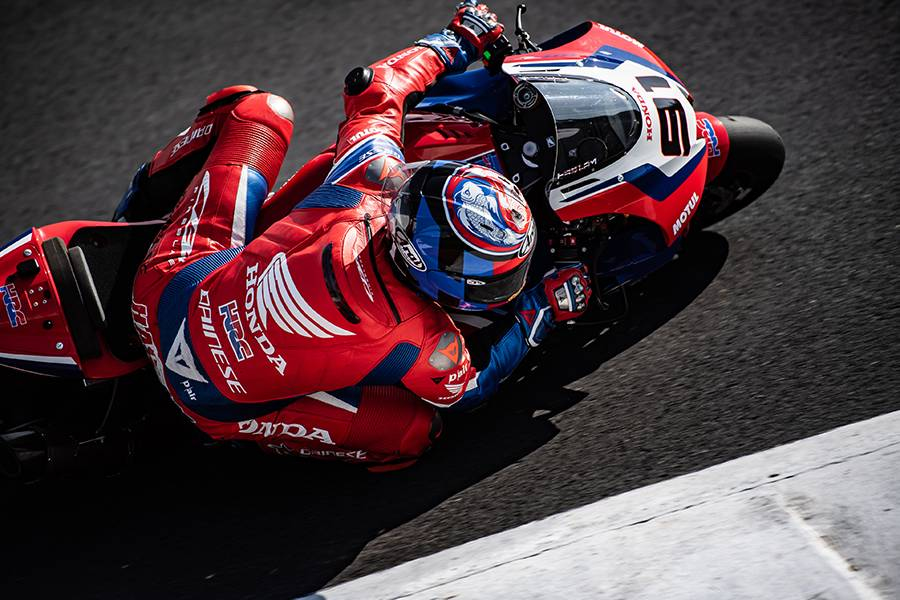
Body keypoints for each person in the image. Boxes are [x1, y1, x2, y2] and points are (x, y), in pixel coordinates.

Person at [126, 1, 591, 470]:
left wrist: (458, 40)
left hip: (166, 287)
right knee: (414, 433)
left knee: (258, 111)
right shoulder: (425, 339)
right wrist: (543, 308)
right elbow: (469, 389)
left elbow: (374, 89)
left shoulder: (368, 182)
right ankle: (244, 439)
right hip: (209, 400)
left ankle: (138, 208)